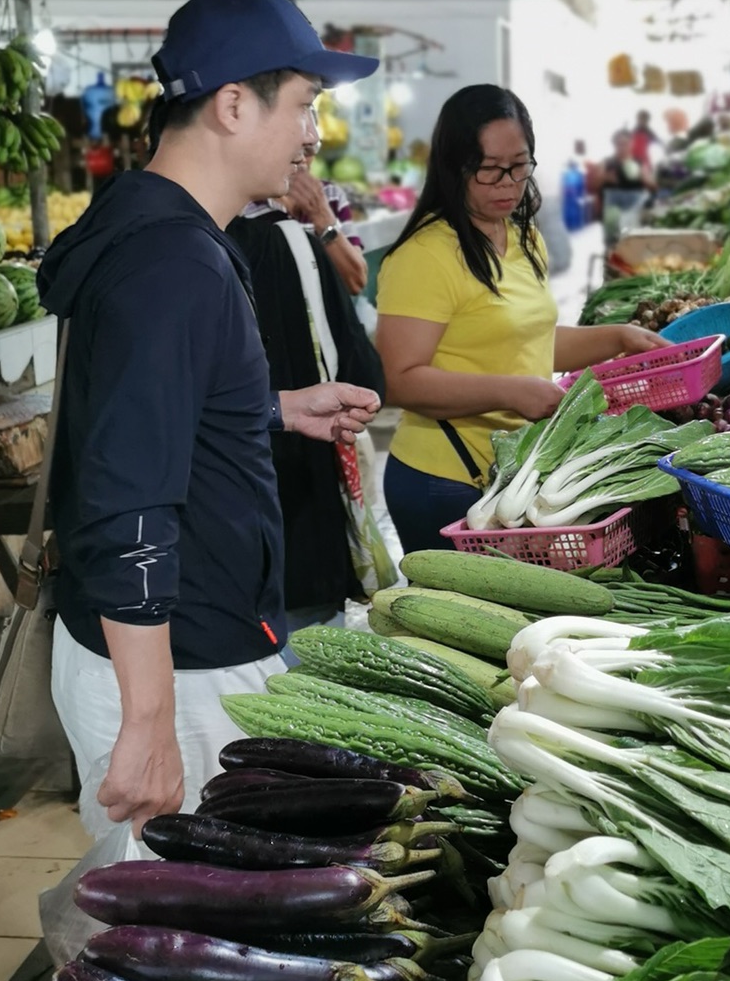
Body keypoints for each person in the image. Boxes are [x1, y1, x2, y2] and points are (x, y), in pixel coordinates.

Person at [37, 0, 384, 838]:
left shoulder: (148, 223)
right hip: (175, 662)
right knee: (171, 943)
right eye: (304, 105)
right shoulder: (174, 263)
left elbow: (145, 409)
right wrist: (150, 723)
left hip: (159, 645)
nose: (313, 134)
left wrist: (262, 410)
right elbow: (130, 502)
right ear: (233, 104)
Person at [375, 84, 657, 554]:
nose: (508, 183)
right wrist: (512, 391)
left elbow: (530, 341)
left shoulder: (521, 239)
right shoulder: (424, 256)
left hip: (512, 473)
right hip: (446, 479)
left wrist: (618, 338)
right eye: (489, 169)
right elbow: (399, 381)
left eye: (520, 166)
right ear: (454, 166)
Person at [228, 193, 396, 639]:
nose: (307, 139)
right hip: (300, 473)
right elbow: (357, 366)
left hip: (234, 506)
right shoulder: (287, 238)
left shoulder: (183, 240)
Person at [243, 166, 367, 298]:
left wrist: (323, 219)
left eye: (310, 149)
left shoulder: (330, 194)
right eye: (297, 149)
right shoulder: (244, 206)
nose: (302, 160)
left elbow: (356, 281)